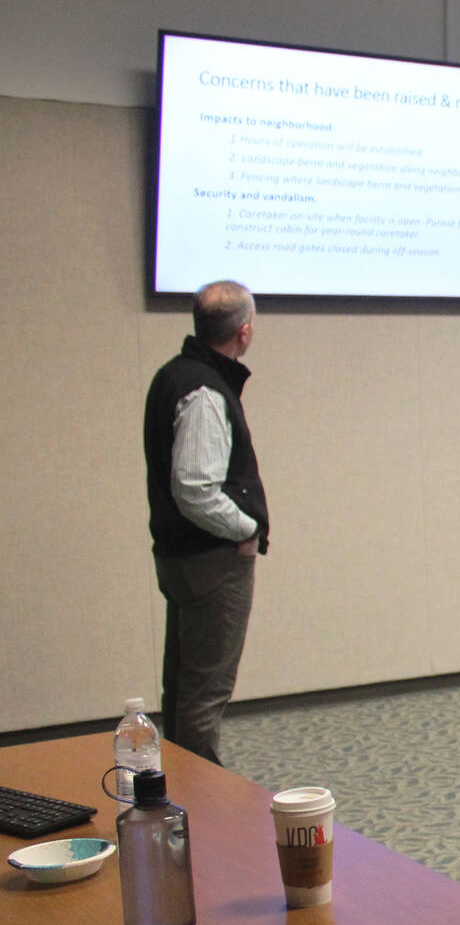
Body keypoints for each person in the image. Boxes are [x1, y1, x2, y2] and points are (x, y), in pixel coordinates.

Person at [142, 280, 267, 765]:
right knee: (203, 695)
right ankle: (202, 807)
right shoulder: (205, 391)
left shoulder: (174, 375)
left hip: (183, 558)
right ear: (244, 331)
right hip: (210, 563)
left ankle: (176, 794)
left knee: (182, 689)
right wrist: (246, 529)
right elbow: (195, 489)